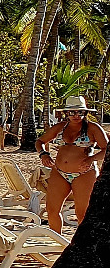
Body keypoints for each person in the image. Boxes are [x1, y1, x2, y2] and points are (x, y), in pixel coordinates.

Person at [34, 96, 106, 232]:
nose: (76, 115)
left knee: (82, 214)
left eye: (80, 112)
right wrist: (43, 154)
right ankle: (58, 242)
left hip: (84, 173)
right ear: (66, 113)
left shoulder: (93, 128)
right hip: (60, 172)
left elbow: (106, 149)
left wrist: (92, 159)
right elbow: (39, 142)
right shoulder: (60, 127)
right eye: (72, 112)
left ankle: (83, 246)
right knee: (52, 210)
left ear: (85, 113)